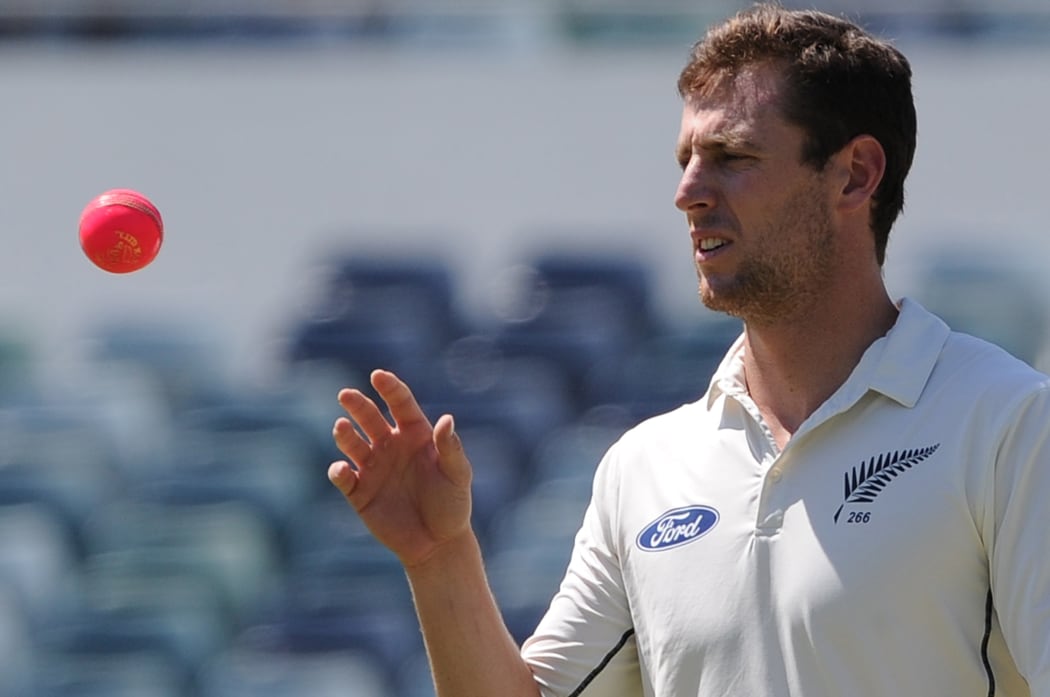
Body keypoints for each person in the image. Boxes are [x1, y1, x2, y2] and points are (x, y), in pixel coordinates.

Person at [328, 4, 1050, 696]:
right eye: (687, 158)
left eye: (732, 156)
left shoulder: (1008, 426)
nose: (687, 192)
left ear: (856, 174)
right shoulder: (642, 469)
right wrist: (438, 558)